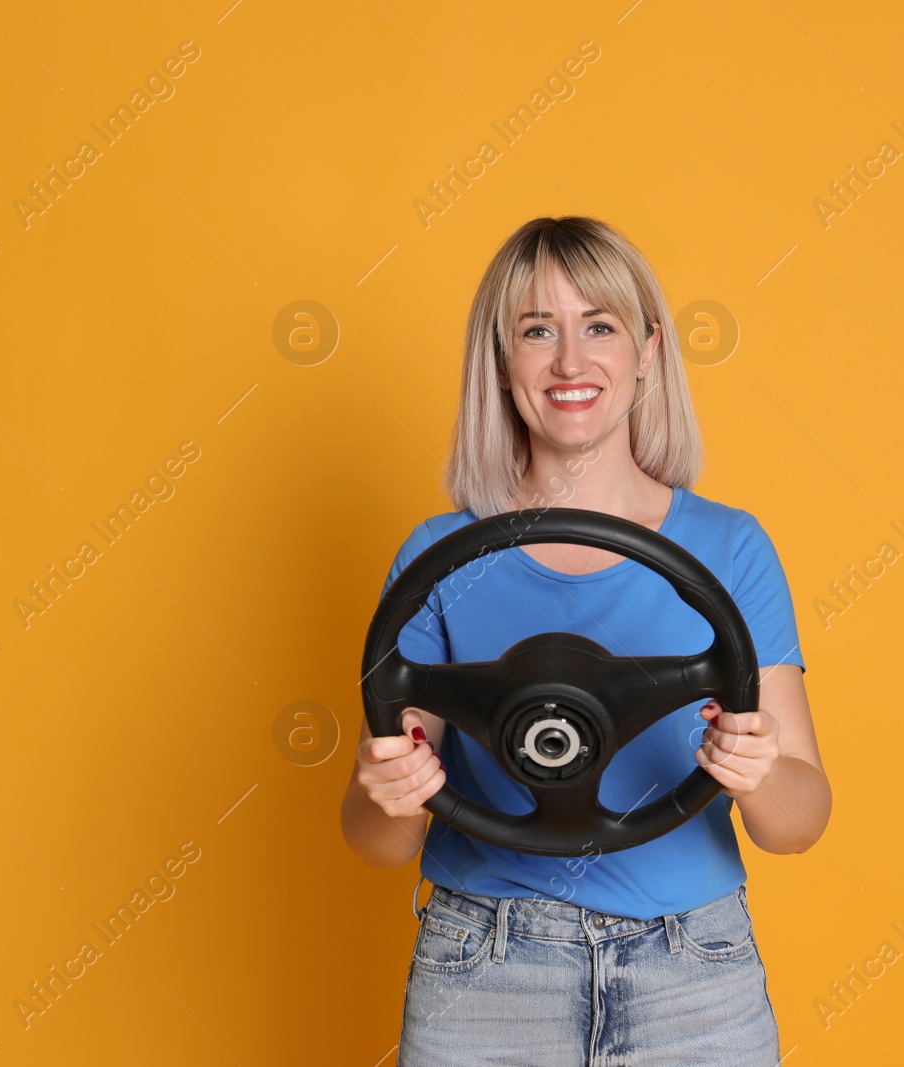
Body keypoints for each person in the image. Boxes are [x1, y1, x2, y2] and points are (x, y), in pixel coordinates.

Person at [340, 216, 831, 1065]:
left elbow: (798, 823)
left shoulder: (730, 547)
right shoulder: (434, 560)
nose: (571, 363)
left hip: (694, 974)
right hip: (483, 969)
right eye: (538, 331)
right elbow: (376, 840)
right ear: (501, 361)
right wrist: (389, 790)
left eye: (599, 326)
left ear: (647, 350)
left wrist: (757, 772)